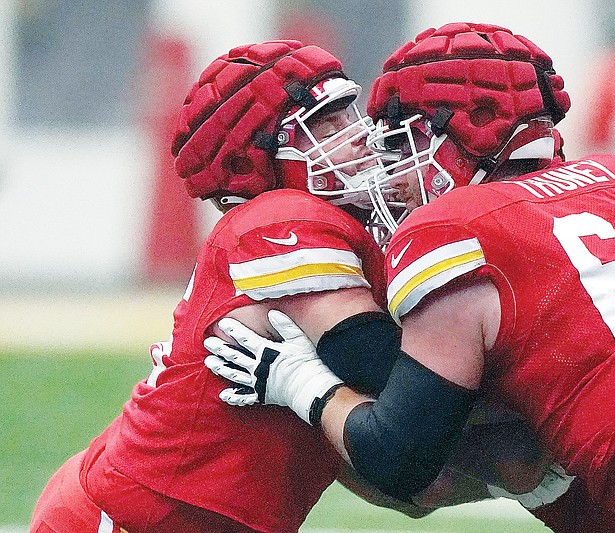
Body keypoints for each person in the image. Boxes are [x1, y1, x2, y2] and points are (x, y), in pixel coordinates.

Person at [205, 23, 615, 532]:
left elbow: (400, 456)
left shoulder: (455, 227)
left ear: (465, 133)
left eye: (405, 142)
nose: (392, 170)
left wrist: (296, 380)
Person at [31, 38, 572, 532]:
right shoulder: (278, 217)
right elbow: (381, 371)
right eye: (327, 127)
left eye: (349, 115)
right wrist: (535, 425)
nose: (360, 136)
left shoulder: (344, 237)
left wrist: (521, 470)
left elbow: (399, 476)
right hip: (126, 515)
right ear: (260, 158)